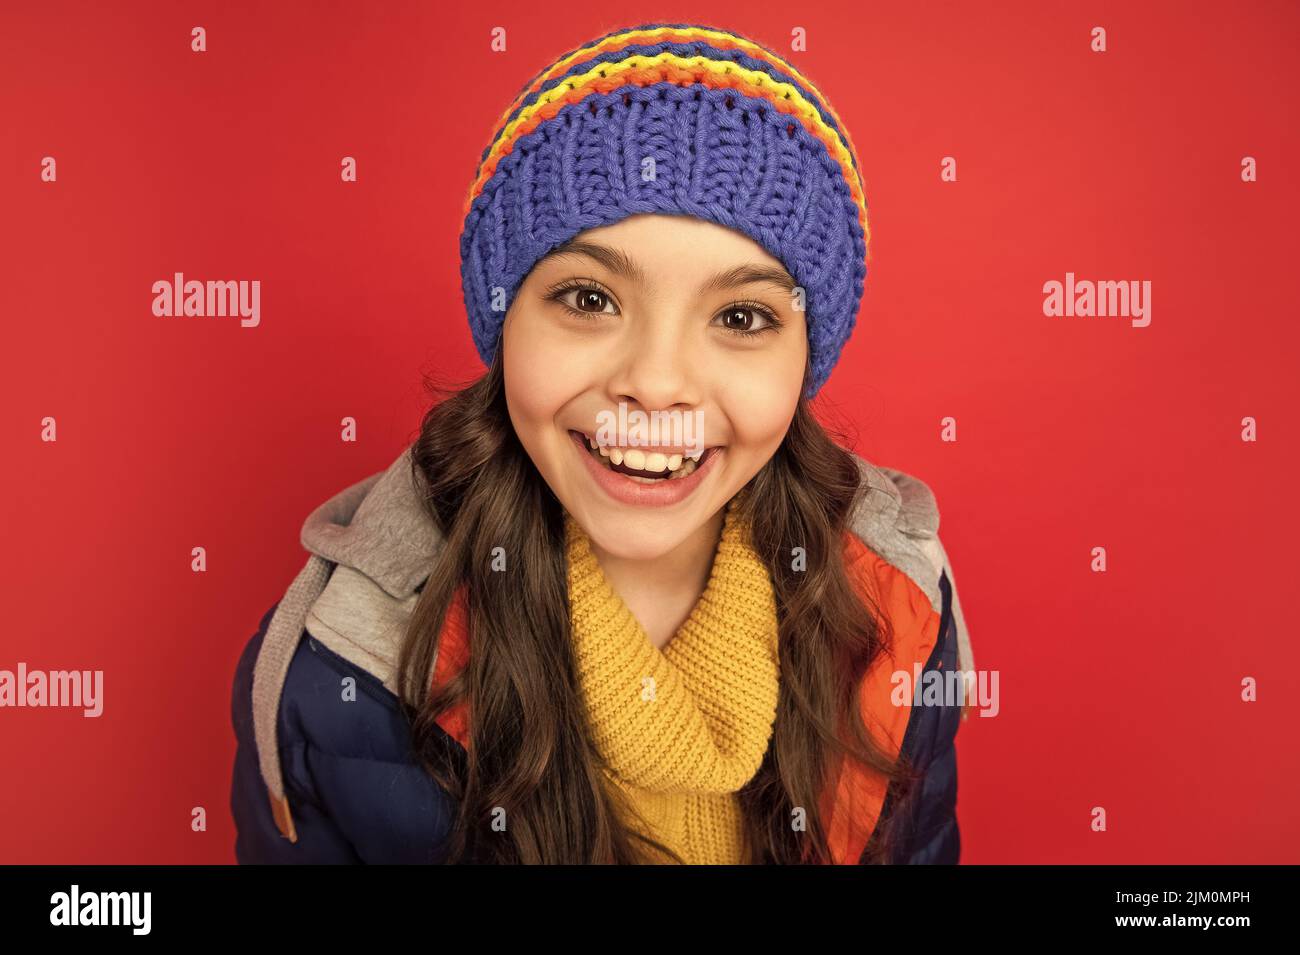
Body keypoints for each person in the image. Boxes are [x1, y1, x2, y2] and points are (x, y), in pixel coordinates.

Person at [230, 20, 974, 865]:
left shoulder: (897, 609)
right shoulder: (337, 667)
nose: (655, 383)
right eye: (589, 299)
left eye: (741, 316)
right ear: (506, 323)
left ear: (805, 359)